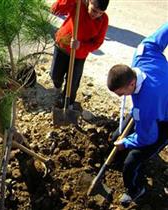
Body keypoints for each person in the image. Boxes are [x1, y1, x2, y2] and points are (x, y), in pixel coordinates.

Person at [107, 23, 168, 206]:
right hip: (153, 109)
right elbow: (158, 38)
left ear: (132, 84)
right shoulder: (143, 54)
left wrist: (126, 143)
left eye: (121, 93)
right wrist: (122, 139)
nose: (121, 97)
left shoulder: (146, 103)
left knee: (132, 161)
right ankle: (117, 160)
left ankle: (135, 189)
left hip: (163, 122)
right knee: (116, 135)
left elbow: (147, 137)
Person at [50, 0, 109, 108]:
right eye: (94, 10)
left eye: (100, 13)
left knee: (72, 85)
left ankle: (67, 104)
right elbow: (55, 9)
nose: (96, 15)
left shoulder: (103, 19)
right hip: (62, 46)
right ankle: (57, 88)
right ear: (89, 1)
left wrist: (81, 45)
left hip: (79, 55)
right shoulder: (77, 4)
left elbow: (97, 43)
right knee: (55, 76)